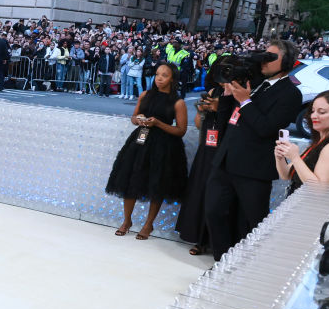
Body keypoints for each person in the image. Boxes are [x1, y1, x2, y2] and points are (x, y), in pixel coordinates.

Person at [204, 39, 303, 261]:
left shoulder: (291, 93)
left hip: (254, 168)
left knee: (252, 221)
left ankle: (248, 265)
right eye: (264, 54)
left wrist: (245, 101)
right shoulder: (255, 82)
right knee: (213, 212)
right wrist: (230, 98)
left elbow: (266, 128)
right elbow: (230, 120)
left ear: (286, 62)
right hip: (226, 161)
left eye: (271, 56)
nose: (264, 60)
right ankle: (222, 262)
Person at [106, 62, 188, 240]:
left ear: (172, 78)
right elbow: (134, 118)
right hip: (140, 142)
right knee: (130, 180)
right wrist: (139, 120)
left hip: (164, 146)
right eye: (158, 74)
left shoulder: (178, 102)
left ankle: (148, 224)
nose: (159, 78)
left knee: (156, 184)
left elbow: (181, 130)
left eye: (164, 75)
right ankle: (127, 221)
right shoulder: (145, 95)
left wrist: (158, 123)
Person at [176, 76, 231, 256]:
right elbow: (200, 124)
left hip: (226, 152)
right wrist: (202, 110)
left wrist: (219, 108)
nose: (224, 81)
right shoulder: (213, 92)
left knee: (216, 198)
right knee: (199, 192)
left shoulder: (238, 97)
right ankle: (199, 239)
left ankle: (213, 242)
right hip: (206, 148)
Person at [275, 90, 329, 193]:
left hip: (313, 207)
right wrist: (280, 157)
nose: (314, 116)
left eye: (322, 112)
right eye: (313, 111)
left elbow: (319, 189)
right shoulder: (320, 142)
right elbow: (286, 175)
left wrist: (295, 157)